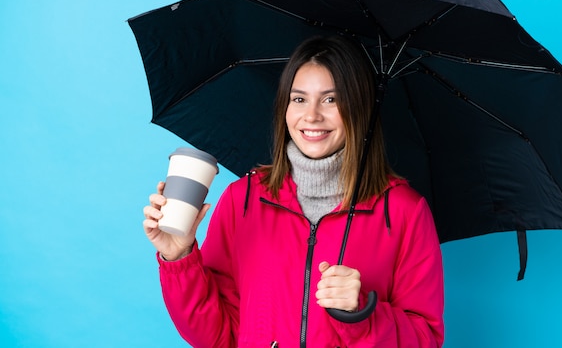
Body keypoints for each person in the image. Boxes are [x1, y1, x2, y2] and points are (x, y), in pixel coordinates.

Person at [143, 35, 444, 347]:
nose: (311, 116)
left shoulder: (404, 210)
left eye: (331, 99)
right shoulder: (243, 199)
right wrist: (178, 256)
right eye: (299, 99)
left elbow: (426, 339)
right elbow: (217, 336)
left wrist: (362, 314)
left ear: (359, 107)